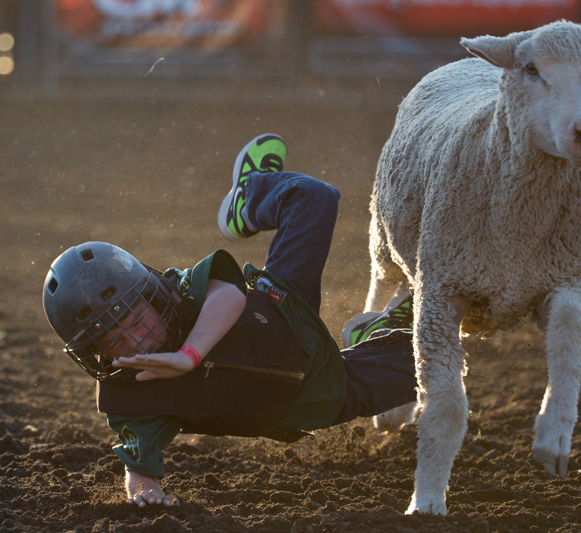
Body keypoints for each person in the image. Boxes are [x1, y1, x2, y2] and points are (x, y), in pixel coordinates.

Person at [42, 134, 417, 507]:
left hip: (279, 302)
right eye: (114, 339)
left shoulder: (177, 290)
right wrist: (149, 498)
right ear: (96, 354)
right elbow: (141, 474)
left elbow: (230, 294)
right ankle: (385, 329)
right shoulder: (130, 394)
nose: (136, 340)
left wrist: (189, 355)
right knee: (426, 358)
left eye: (136, 318)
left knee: (314, 197)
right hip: (313, 390)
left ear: (150, 295)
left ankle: (247, 198)